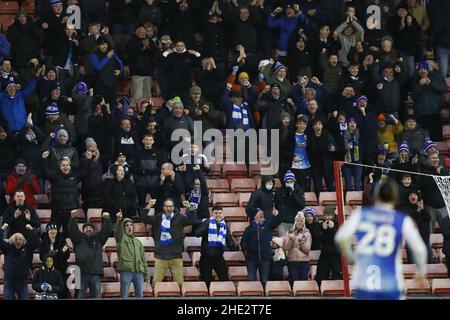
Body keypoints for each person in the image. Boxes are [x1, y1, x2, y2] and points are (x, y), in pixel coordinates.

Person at [335, 179, 428, 300]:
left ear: (376, 195)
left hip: (364, 283)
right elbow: (420, 250)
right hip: (391, 284)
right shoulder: (401, 219)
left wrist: (350, 256)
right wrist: (421, 272)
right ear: (395, 197)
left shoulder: (361, 214)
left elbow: (340, 237)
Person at [141, 198, 197, 286]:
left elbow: (193, 220)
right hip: (161, 256)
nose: (169, 208)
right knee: (156, 283)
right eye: (167, 206)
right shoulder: (158, 218)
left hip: (176, 256)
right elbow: (144, 218)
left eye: (170, 206)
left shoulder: (180, 218)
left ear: (173, 207)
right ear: (163, 208)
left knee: (179, 284)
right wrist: (149, 206)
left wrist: (189, 207)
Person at [68, 209, 112, 299]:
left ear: (93, 230)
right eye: (86, 228)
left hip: (95, 274)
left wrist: (107, 220)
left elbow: (106, 232)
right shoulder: (78, 239)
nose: (88, 229)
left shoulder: (98, 239)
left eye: (90, 228)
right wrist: (72, 218)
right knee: (79, 297)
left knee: (96, 297)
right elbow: (72, 230)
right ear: (82, 230)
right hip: (80, 274)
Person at [241, 208, 284, 286]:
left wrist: (278, 212)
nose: (261, 213)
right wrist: (248, 252)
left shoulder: (268, 225)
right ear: (254, 216)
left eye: (261, 212)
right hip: (251, 259)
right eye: (258, 212)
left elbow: (279, 219)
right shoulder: (249, 229)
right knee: (251, 280)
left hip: (265, 258)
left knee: (264, 281)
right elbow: (243, 243)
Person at [194, 205, 236, 286]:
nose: (218, 215)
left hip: (218, 257)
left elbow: (230, 242)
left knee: (225, 280)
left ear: (222, 214)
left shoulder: (224, 226)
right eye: (216, 213)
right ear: (212, 214)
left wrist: (231, 244)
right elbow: (197, 233)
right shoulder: (207, 222)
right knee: (206, 283)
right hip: (206, 257)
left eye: (220, 213)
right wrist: (206, 225)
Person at [115, 211, 148, 299]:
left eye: (131, 225)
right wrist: (119, 220)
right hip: (126, 270)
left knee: (140, 296)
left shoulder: (138, 242)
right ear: (123, 228)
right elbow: (117, 232)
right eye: (127, 225)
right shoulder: (120, 239)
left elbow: (143, 259)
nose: (129, 227)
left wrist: (146, 274)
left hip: (138, 271)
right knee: (124, 296)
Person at [0, 228, 39, 300]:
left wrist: (32, 230)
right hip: (9, 282)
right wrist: (2, 229)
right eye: (16, 239)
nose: (18, 241)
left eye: (20, 239)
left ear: (23, 241)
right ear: (12, 240)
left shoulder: (27, 248)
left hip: (22, 282)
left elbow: (36, 241)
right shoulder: (7, 247)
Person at [283, 212, 312, 283]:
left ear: (303, 223)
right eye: (298, 221)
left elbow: (307, 250)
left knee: (303, 283)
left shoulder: (307, 233)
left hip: (304, 262)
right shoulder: (289, 232)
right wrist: (291, 240)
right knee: (294, 282)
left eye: (301, 221)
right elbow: (286, 248)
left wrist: (302, 242)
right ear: (295, 222)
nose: (299, 222)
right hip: (292, 262)